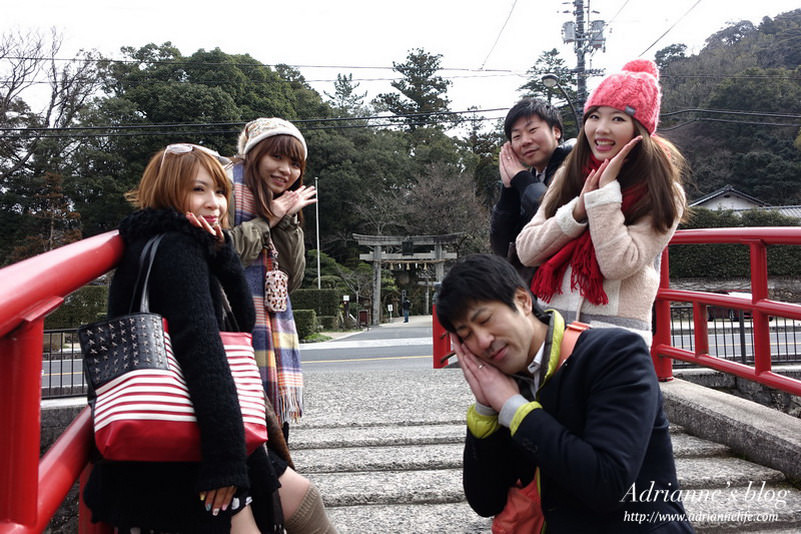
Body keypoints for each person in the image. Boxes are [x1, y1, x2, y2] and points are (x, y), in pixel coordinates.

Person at [84, 144, 336, 533]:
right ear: (169, 190)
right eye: (199, 190)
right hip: (196, 438)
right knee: (293, 507)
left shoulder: (165, 240)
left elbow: (241, 321)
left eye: (219, 191)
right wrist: (225, 461)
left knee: (303, 501)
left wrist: (221, 253)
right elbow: (203, 352)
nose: (214, 203)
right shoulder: (177, 249)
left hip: (194, 425)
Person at [436, 254, 694, 533]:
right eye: (467, 335)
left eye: (485, 320)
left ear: (522, 301)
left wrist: (514, 408)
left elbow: (608, 483)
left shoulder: (615, 355)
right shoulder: (504, 382)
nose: (482, 341)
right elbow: (486, 501)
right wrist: (486, 410)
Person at [515, 60, 688, 345]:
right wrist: (577, 212)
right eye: (594, 116)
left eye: (618, 119)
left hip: (615, 343)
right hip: (552, 334)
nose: (601, 129)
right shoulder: (569, 174)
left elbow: (619, 263)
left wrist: (604, 194)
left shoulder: (662, 190)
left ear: (639, 129)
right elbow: (527, 250)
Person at [227, 117, 317, 429]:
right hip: (226, 327)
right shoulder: (224, 190)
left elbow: (293, 278)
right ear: (253, 155)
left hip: (266, 334)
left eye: (294, 163)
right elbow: (224, 258)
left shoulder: (280, 204)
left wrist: (286, 220)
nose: (285, 170)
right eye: (275, 157)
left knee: (274, 429)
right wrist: (271, 217)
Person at [490, 97, 574, 281]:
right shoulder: (529, 179)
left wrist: (520, 177)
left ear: (556, 132)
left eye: (532, 130)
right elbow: (502, 247)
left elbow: (557, 217)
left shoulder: (575, 164)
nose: (525, 141)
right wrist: (509, 189)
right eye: (517, 136)